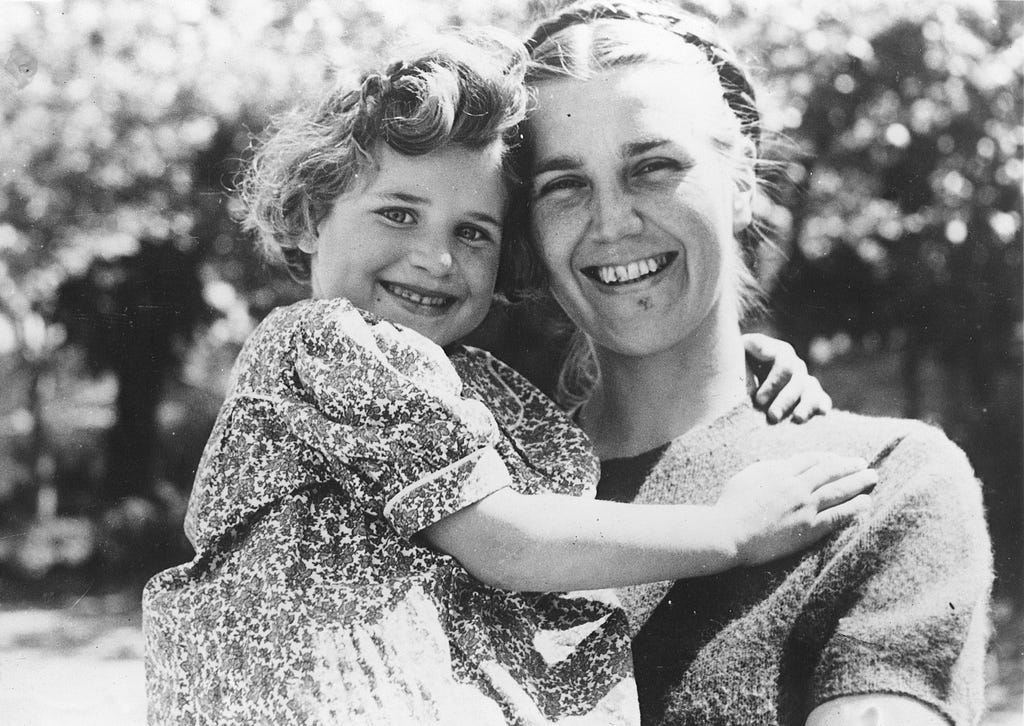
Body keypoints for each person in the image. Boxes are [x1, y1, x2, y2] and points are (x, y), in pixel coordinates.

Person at [143, 29, 872, 726]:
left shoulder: (465, 382)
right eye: (399, 214)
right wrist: (729, 531)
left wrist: (747, 361)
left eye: (473, 232)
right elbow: (509, 542)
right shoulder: (323, 343)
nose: (435, 258)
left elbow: (561, 434)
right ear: (307, 216)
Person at [521, 2, 993, 724]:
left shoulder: (877, 482)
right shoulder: (484, 494)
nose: (611, 222)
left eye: (653, 167)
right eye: (564, 185)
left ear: (740, 181)